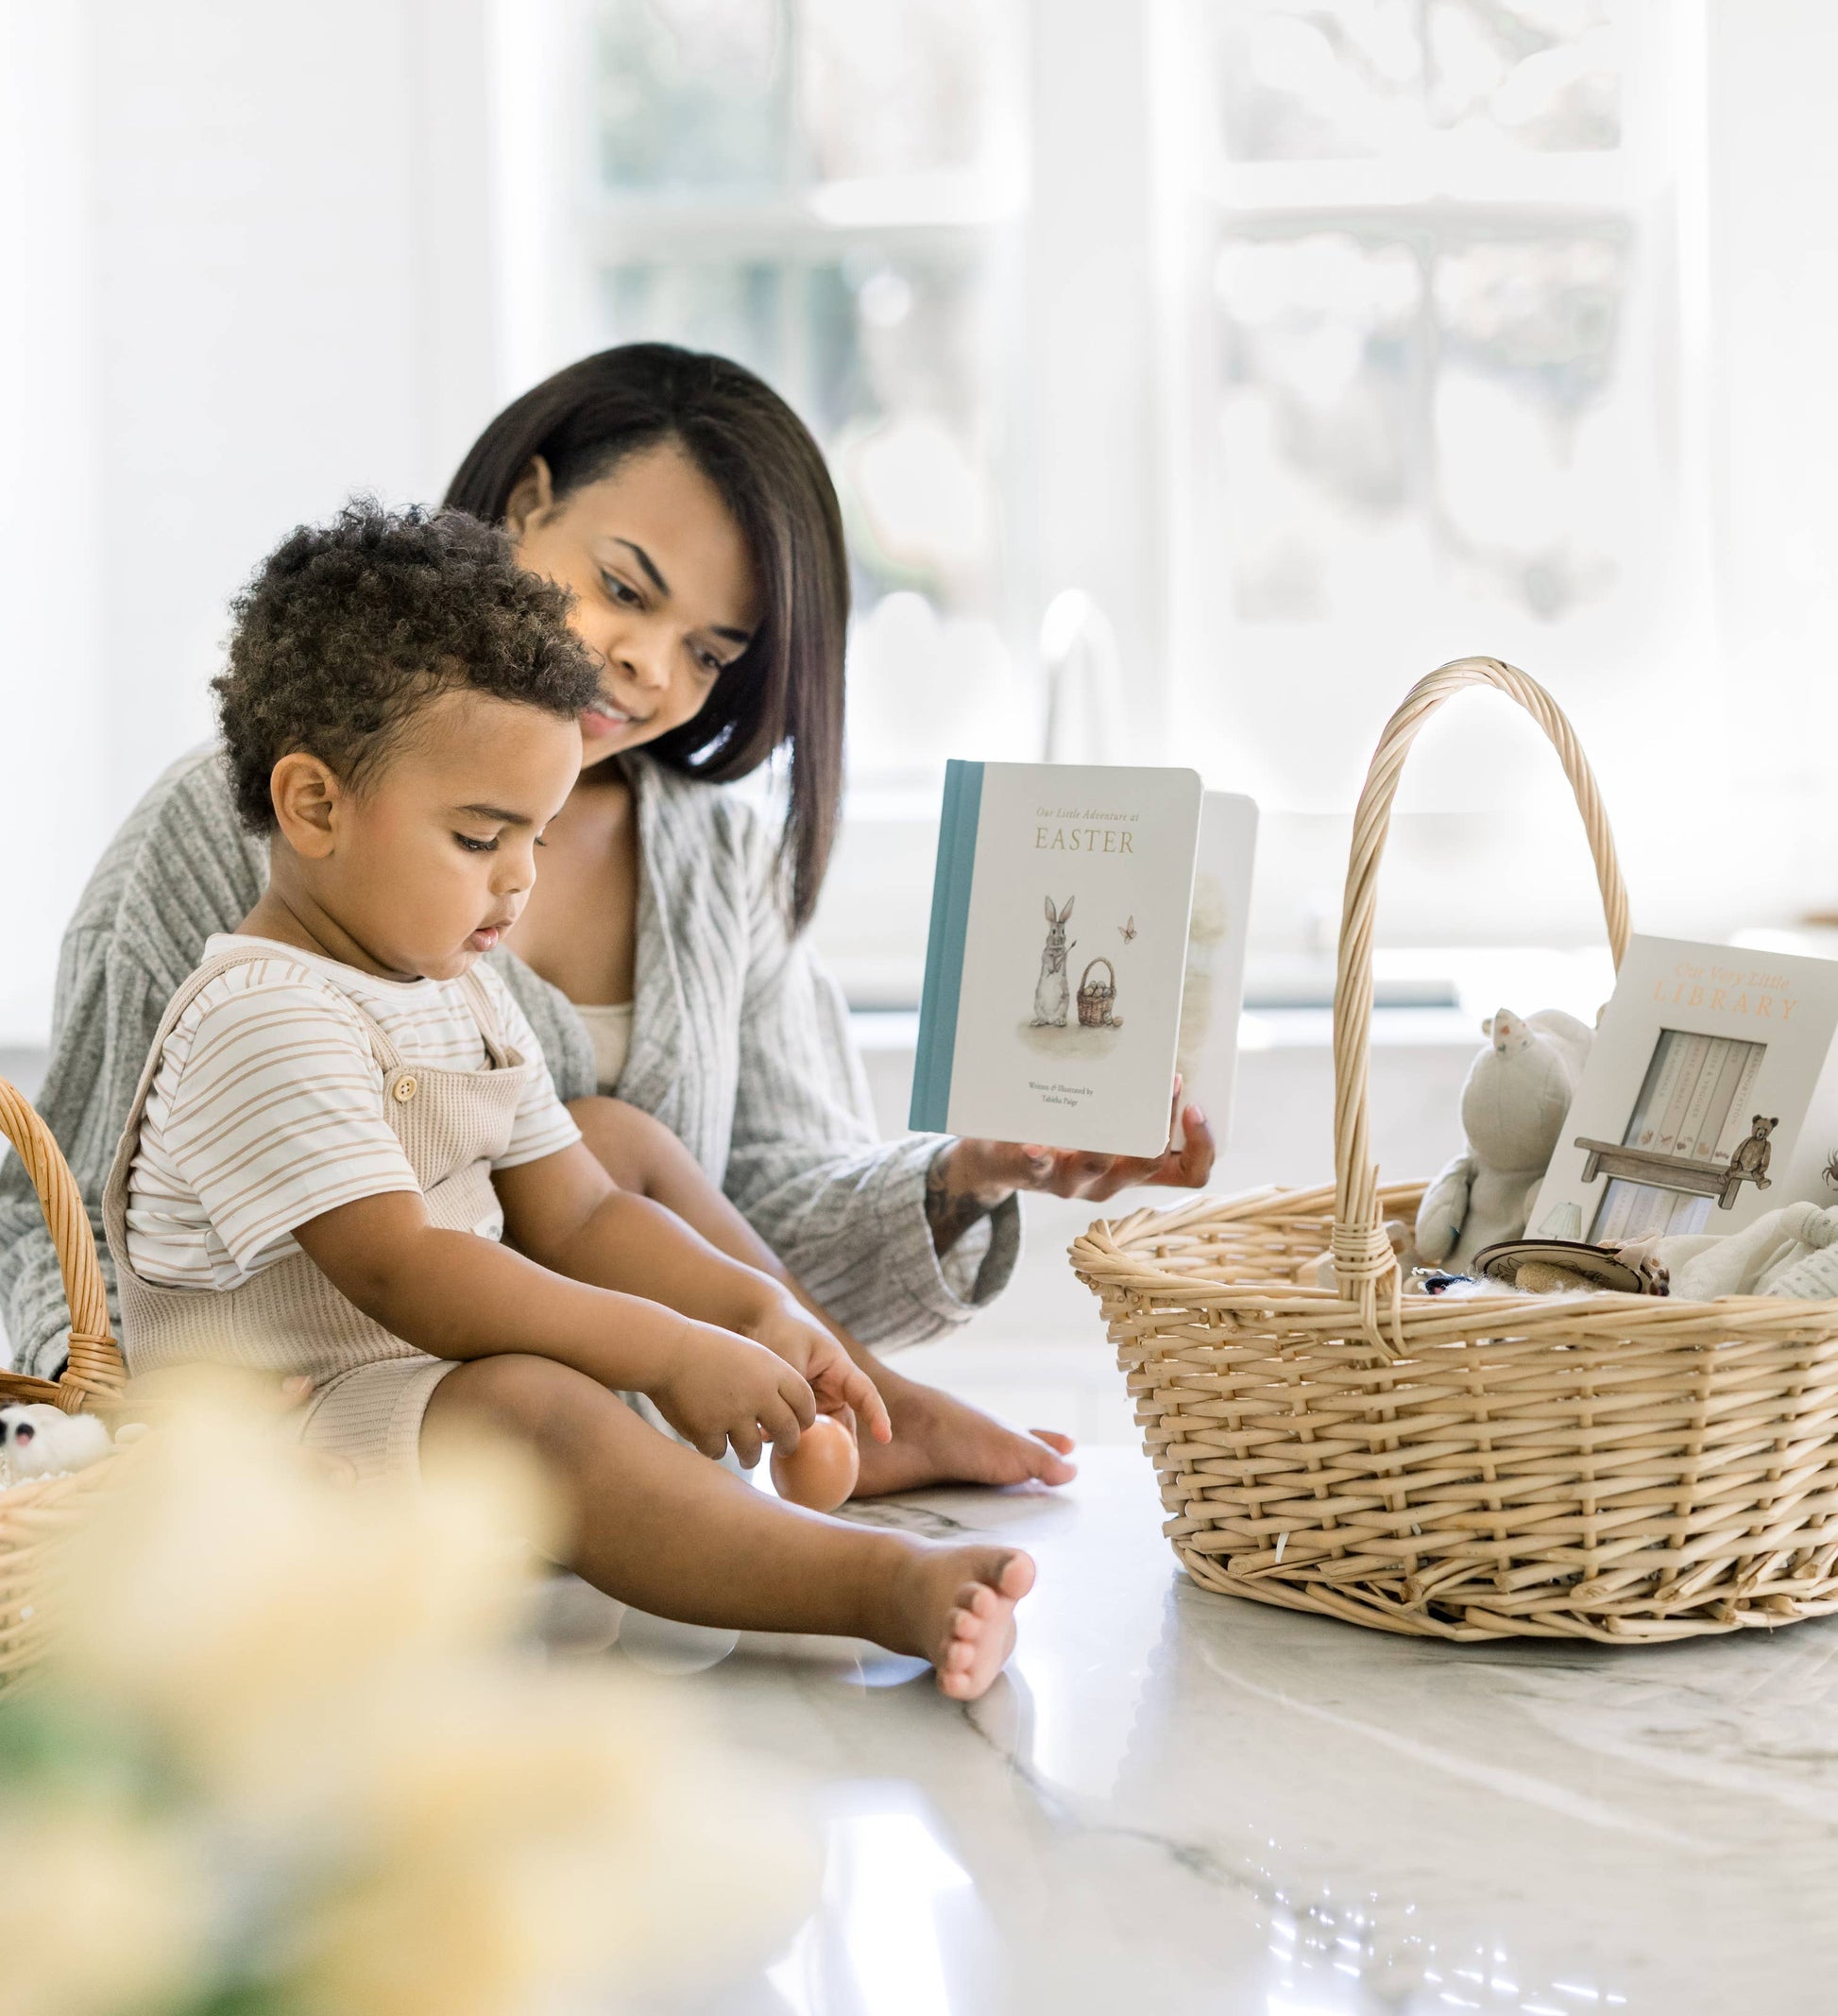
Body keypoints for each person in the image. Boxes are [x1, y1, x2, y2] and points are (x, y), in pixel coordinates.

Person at [2, 345, 1215, 1487]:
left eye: (709, 652)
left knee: (604, 1143)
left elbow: (758, 1215)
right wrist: (127, 1407)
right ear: (524, 504)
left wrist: (966, 1175)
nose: (649, 669)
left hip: (652, 1475)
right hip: (370, 1434)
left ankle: (872, 1408)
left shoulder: (714, 857)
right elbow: (57, 1217)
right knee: (580, 1150)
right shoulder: (240, 827)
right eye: (623, 589)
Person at [104, 504, 1032, 1699]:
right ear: (316, 806)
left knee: (554, 1378)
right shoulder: (263, 1013)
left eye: (535, 838)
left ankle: (711, 1522)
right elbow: (407, 1272)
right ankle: (879, 1588)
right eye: (478, 836)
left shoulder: (451, 983)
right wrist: (667, 1347)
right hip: (280, 1455)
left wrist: (751, 1311)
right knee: (537, 1402)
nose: (518, 881)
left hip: (410, 1410)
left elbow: (584, 1211)